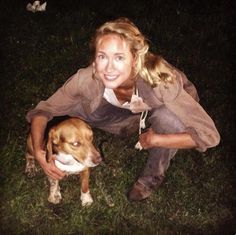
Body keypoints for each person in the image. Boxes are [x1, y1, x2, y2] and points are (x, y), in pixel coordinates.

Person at [26, 17, 220, 201]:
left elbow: (209, 136)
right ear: (95, 59)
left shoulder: (161, 82)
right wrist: (39, 152)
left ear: (135, 59)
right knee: (78, 105)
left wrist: (157, 139)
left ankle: (150, 178)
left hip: (165, 106)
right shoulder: (86, 79)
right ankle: (126, 129)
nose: (109, 68)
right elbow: (43, 111)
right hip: (128, 112)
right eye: (102, 56)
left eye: (119, 57)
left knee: (168, 120)